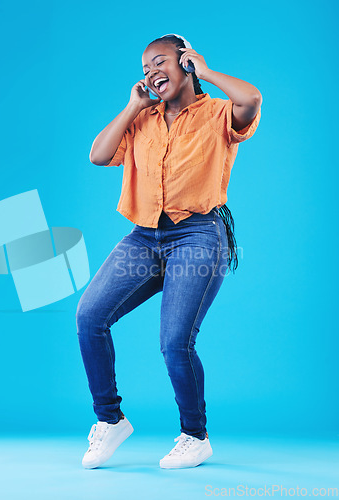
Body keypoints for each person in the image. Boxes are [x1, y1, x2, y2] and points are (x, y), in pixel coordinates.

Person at [77, 34, 262, 470]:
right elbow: (98, 156)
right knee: (89, 317)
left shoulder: (218, 113)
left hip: (197, 236)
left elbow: (251, 97)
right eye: (145, 69)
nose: (151, 73)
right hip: (144, 237)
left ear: (185, 62)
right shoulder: (143, 119)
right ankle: (110, 421)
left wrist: (208, 72)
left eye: (160, 62)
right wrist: (131, 107)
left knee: (175, 342)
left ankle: (195, 436)